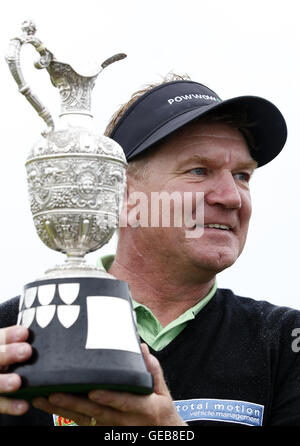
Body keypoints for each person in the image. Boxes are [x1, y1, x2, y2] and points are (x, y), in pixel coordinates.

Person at [1, 73, 300, 426]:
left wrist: (164, 433)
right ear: (123, 196)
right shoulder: (13, 335)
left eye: (242, 176)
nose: (232, 197)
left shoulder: (286, 343)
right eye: (199, 170)